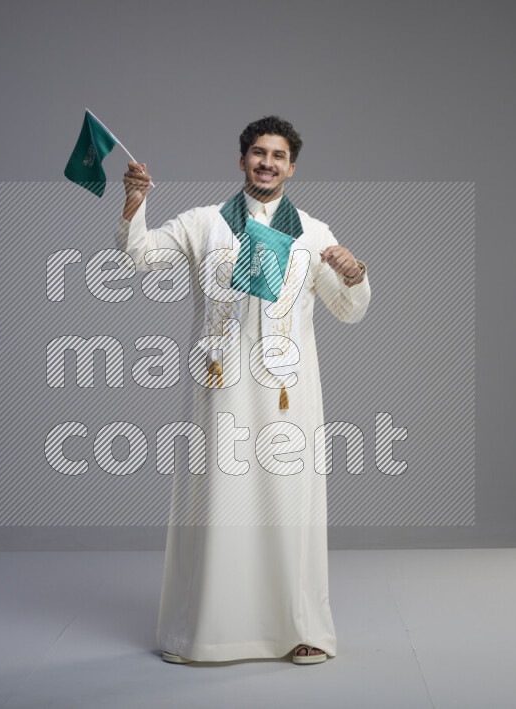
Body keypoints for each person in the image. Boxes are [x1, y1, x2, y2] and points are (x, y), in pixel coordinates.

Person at [116, 116, 370, 664]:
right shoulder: (205, 223)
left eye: (278, 156)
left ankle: (301, 629)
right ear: (242, 160)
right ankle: (201, 633)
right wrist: (135, 201)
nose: (267, 163)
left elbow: (349, 310)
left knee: (289, 506)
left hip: (286, 394)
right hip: (222, 389)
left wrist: (353, 273)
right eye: (258, 153)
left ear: (291, 168)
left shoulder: (312, 233)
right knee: (216, 504)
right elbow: (141, 256)